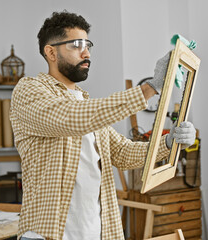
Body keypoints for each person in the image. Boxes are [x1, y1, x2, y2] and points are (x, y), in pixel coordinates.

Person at [10, 10, 196, 240]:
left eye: (88, 45)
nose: (86, 53)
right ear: (51, 52)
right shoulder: (30, 91)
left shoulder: (85, 104)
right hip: (48, 234)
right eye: (76, 45)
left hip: (98, 232)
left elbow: (122, 153)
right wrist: (150, 88)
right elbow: (71, 119)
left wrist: (169, 142)